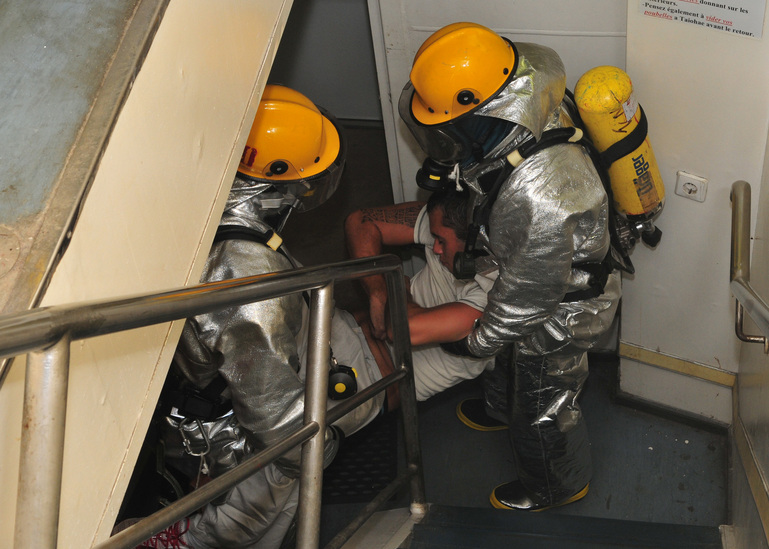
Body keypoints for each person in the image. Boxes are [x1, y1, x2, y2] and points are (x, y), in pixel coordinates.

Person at [119, 84, 385, 548]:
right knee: (282, 482)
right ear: (279, 180)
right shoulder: (247, 276)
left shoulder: (203, 207)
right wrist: (317, 446)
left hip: (216, 375)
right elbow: (280, 420)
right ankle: (192, 541)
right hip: (233, 421)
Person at [397, 22, 621, 511]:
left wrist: (476, 339)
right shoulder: (525, 95)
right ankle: (500, 408)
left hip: (563, 306)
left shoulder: (542, 193)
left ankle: (556, 485)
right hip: (527, 268)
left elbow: (528, 299)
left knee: (541, 400)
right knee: (508, 359)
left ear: (480, 112)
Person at [344, 189, 496, 404]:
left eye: (441, 241)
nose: (435, 248)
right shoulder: (447, 222)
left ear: (474, 243)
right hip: (349, 327)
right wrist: (378, 292)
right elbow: (360, 222)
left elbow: (403, 329)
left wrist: (398, 287)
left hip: (372, 378)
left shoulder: (495, 295)